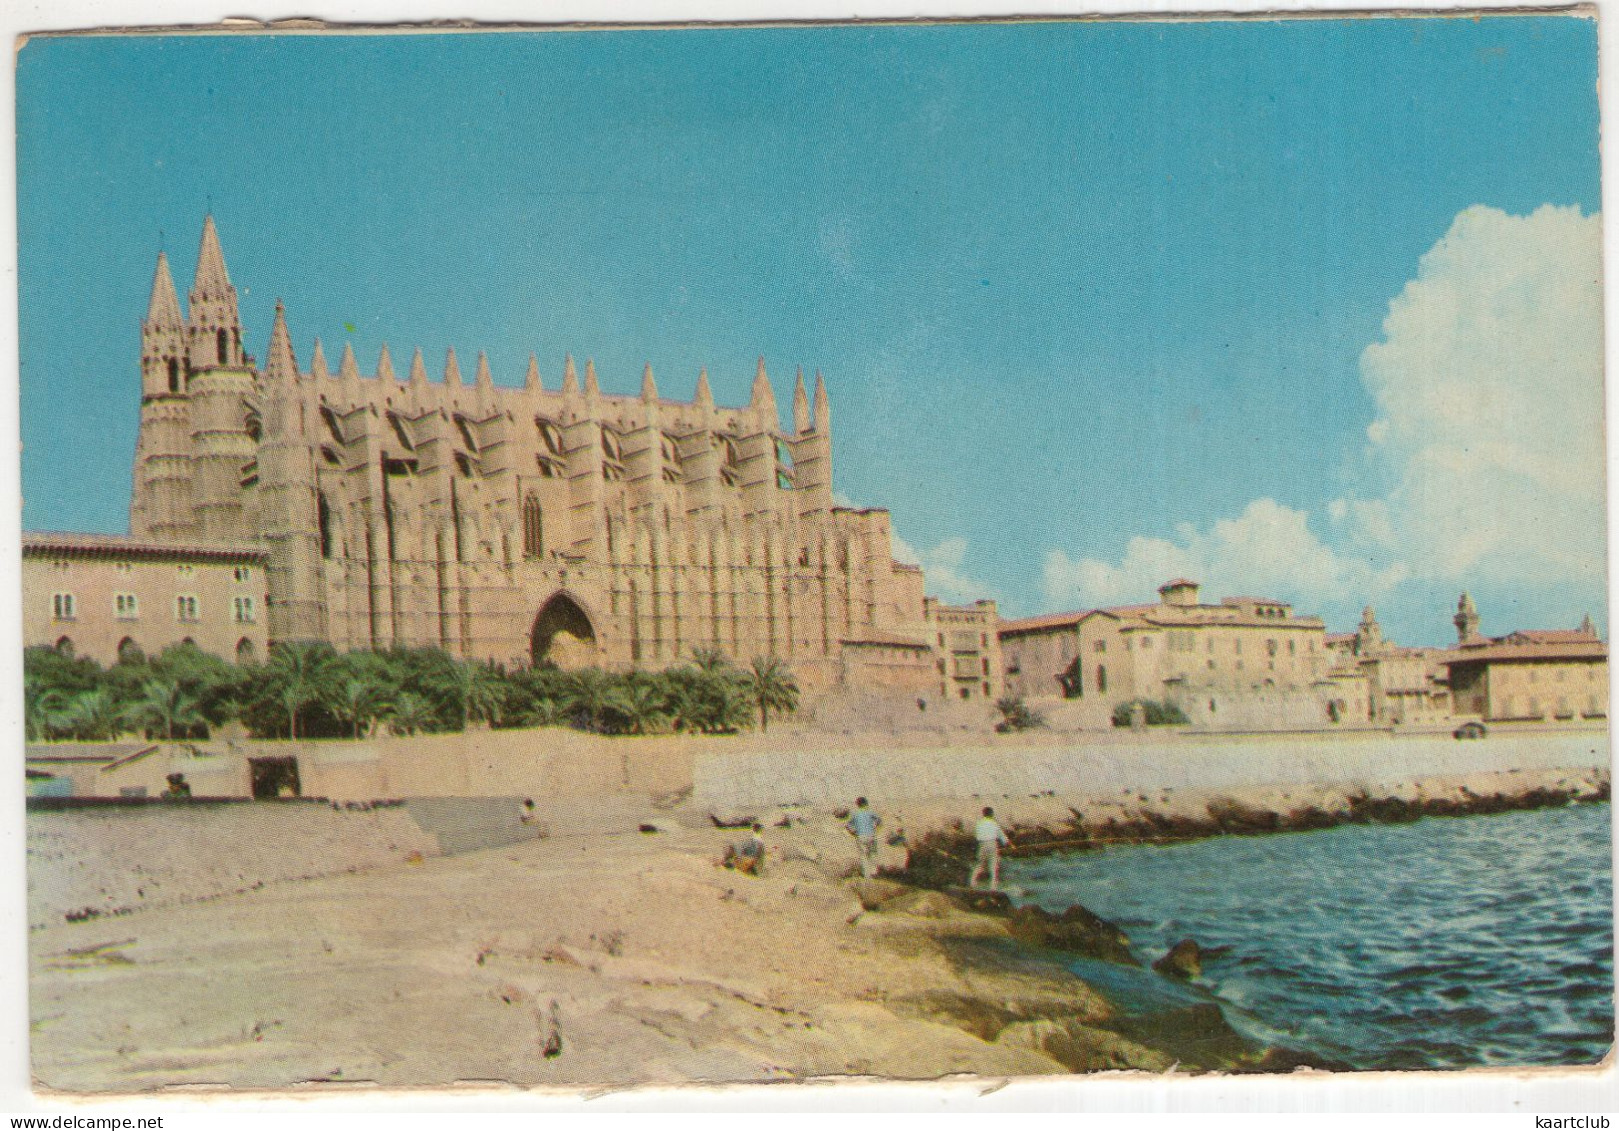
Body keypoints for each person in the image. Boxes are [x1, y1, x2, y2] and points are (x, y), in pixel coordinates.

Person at [968, 806, 1010, 891]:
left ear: (983, 814)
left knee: (979, 864)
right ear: (991, 814)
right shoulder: (994, 823)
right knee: (993, 865)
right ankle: (993, 887)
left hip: (982, 844)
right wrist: (1007, 843)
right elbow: (1001, 835)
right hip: (992, 844)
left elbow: (977, 835)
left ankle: (972, 883)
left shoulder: (979, 823)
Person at [846, 797, 882, 879]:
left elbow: (848, 825)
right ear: (866, 803)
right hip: (871, 835)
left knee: (864, 855)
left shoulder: (855, 814)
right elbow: (879, 820)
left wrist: (853, 832)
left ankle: (866, 875)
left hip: (860, 836)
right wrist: (874, 827)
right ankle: (874, 872)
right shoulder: (870, 812)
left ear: (857, 804)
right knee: (873, 853)